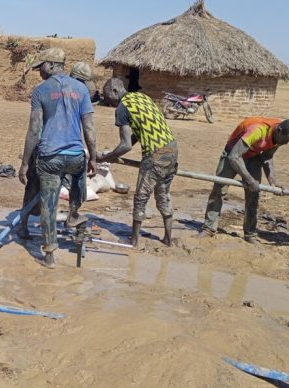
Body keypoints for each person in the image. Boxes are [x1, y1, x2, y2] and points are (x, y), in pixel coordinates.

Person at [18, 48, 97, 268]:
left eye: (42, 66)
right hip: (75, 156)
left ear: (52, 64)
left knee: (49, 205)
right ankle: (73, 213)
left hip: (50, 157)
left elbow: (34, 129)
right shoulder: (81, 90)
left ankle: (50, 255)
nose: (39, 71)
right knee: (78, 181)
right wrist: (94, 157)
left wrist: (24, 163)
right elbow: (89, 127)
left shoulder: (40, 91)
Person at [98, 71, 178, 247]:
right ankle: (167, 238)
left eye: (107, 97)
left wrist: (109, 157)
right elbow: (139, 133)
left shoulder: (122, 107)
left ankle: (133, 240)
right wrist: (113, 153)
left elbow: (126, 144)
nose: (108, 102)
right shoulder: (142, 98)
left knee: (141, 196)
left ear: (115, 90)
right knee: (163, 194)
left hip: (155, 154)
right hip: (172, 148)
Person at [200, 116, 289, 241]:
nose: (285, 143)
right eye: (285, 140)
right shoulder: (257, 130)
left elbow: (267, 157)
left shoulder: (279, 134)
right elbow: (234, 157)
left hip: (253, 156)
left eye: (288, 142)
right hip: (232, 154)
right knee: (218, 191)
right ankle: (208, 228)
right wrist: (250, 180)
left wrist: (273, 183)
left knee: (254, 195)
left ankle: (250, 234)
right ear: (279, 130)